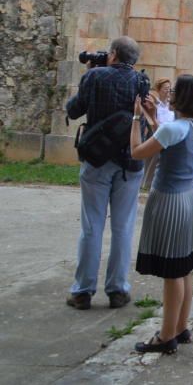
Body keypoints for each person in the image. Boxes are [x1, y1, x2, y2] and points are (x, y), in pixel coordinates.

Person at [64, 36, 148, 311]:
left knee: (92, 225)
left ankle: (83, 291)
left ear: (113, 54)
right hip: (129, 161)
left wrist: (88, 74)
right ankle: (118, 290)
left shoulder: (96, 76)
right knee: (123, 227)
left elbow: (74, 110)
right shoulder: (141, 81)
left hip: (97, 159)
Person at [129, 75, 193, 354]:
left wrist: (135, 119)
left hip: (169, 200)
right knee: (184, 267)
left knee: (172, 272)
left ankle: (165, 336)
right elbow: (169, 137)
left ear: (180, 97)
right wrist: (152, 118)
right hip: (189, 198)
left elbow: (138, 152)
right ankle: (180, 326)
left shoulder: (174, 128)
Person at [139, 78, 175, 192]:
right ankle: (150, 185)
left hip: (171, 138)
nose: (168, 91)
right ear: (159, 90)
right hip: (157, 135)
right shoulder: (154, 105)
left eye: (170, 89)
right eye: (165, 89)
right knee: (153, 165)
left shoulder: (172, 105)